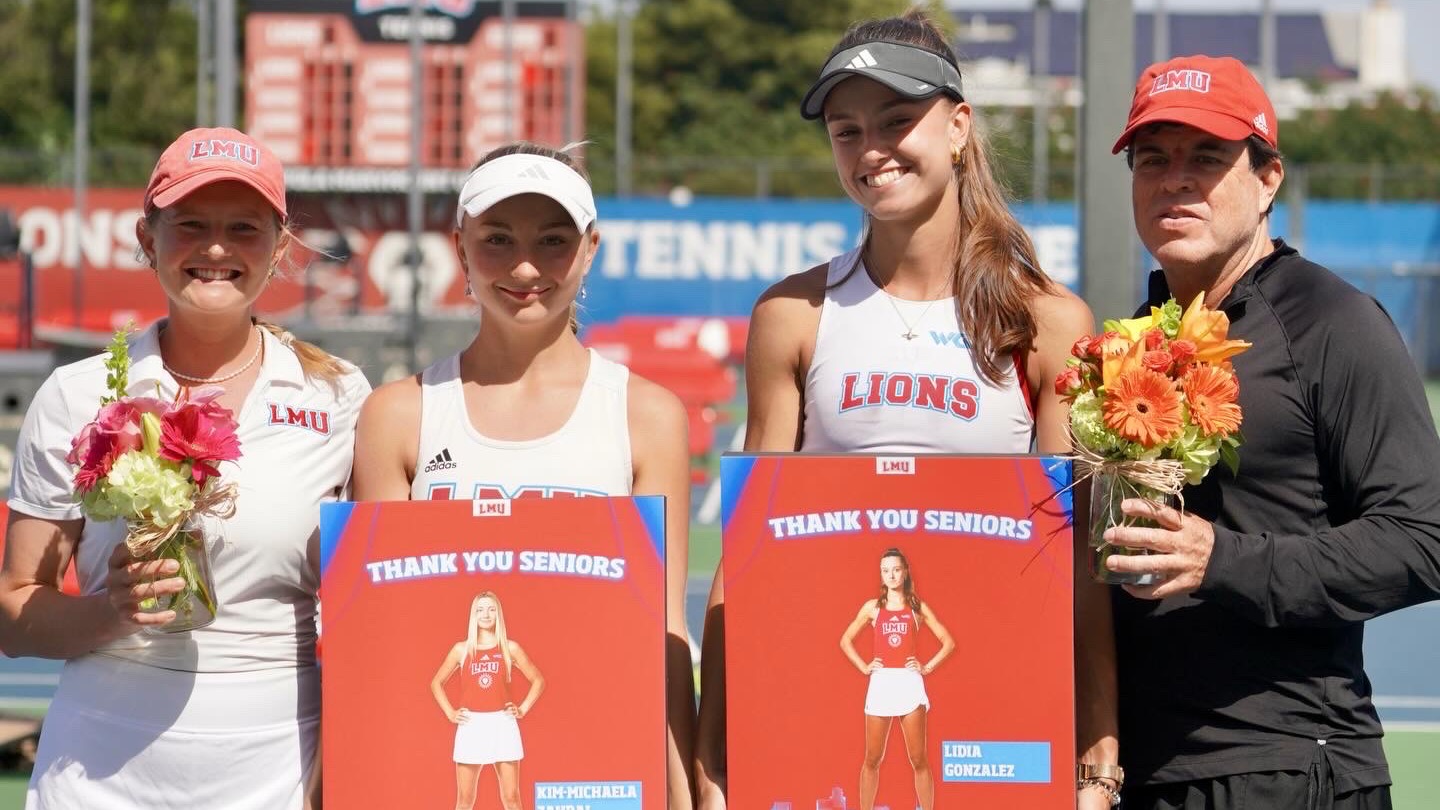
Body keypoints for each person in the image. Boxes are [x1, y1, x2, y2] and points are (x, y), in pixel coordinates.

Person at [694, 9, 1120, 809]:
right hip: (810, 710)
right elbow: (744, 558)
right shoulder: (793, 314)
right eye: (847, 131)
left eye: (897, 120)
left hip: (1000, 714)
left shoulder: (1049, 321)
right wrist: (714, 755)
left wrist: (1098, 755)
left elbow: (1075, 558)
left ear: (958, 127)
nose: (871, 150)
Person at [1104, 54, 1440, 809]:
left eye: (1207, 157)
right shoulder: (1142, 337)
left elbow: (1426, 538)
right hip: (1151, 770)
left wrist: (1223, 561)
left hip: (1287, 767)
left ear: (1268, 179)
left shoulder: (1332, 322)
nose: (1175, 178)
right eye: (1152, 159)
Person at [0, 127, 371, 809]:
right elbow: (16, 611)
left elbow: (370, 621)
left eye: (243, 227)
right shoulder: (76, 394)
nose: (217, 248)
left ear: (280, 247)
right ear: (149, 240)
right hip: (95, 779)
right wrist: (112, 613)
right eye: (191, 225)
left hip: (275, 776)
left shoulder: (341, 396)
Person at [351, 141, 697, 808]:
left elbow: (664, 628)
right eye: (498, 239)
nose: (526, 265)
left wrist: (682, 791)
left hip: (601, 771)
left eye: (554, 240)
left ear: (591, 248)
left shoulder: (646, 415)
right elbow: (381, 634)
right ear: (459, 247)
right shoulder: (399, 416)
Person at [838, 548, 954, 810]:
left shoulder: (917, 607)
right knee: (872, 759)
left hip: (909, 683)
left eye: (896, 569)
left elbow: (948, 641)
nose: (891, 574)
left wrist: (927, 666)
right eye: (885, 570)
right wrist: (864, 666)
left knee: (919, 759)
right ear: (881, 574)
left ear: (904, 573)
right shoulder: (873, 608)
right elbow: (845, 640)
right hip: (881, 684)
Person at [430, 591, 544, 810]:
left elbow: (538, 679)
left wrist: (523, 708)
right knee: (465, 799)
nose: (486, 614)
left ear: (498, 614)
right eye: (480, 609)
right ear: (473, 615)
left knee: (511, 797)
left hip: (502, 723)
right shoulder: (461, 649)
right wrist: (450, 713)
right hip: (471, 725)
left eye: (491, 609)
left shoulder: (510, 648)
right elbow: (436, 683)